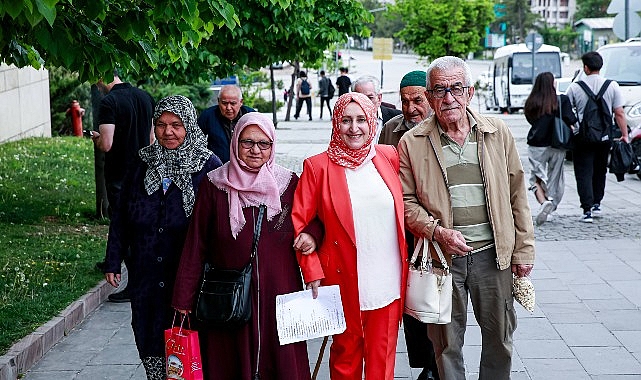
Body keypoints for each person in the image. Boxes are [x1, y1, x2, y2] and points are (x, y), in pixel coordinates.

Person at [398, 56, 535, 380]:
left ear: (470, 92)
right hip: (444, 259)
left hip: (493, 257)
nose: (448, 98)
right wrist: (437, 232)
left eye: (456, 88)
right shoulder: (412, 142)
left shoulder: (496, 132)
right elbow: (405, 202)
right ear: (430, 96)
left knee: (500, 339)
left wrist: (524, 250)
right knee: (445, 345)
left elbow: (517, 191)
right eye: (440, 90)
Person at [172, 113, 322, 380]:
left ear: (273, 146)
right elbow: (196, 244)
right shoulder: (214, 184)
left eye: (264, 143)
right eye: (247, 142)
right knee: (230, 364)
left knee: (282, 363)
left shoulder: (289, 183)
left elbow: (315, 220)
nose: (256, 150)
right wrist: (183, 299)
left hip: (280, 292)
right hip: (229, 297)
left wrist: (311, 235)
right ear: (235, 142)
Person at [102, 95, 222, 379]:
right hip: (145, 273)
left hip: (189, 276)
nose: (168, 132)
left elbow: (219, 222)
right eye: (161, 124)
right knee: (148, 337)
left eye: (177, 125)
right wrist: (113, 259)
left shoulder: (208, 165)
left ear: (189, 126)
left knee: (187, 345)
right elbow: (121, 214)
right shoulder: (142, 163)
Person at [292, 92, 408, 380]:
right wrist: (312, 271)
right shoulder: (316, 166)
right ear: (335, 123)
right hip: (341, 280)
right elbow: (300, 224)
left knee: (382, 362)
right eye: (346, 120)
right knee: (345, 359)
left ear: (372, 123)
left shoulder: (388, 156)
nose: (354, 128)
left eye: (360, 120)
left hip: (388, 279)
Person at [378, 70, 438, 380]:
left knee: (436, 299)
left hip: (436, 227)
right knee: (411, 300)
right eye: (404, 101)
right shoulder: (390, 129)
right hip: (401, 228)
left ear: (429, 98)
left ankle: (436, 364)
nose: (410, 107)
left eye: (417, 99)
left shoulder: (441, 127)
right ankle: (424, 363)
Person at [92, 69, 155, 303]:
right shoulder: (145, 97)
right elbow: (151, 139)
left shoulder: (109, 102)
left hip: (119, 174)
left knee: (123, 225)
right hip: (144, 172)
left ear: (102, 78)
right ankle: (121, 265)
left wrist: (95, 137)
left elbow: (106, 144)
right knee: (138, 226)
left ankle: (135, 283)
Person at [565, 51, 629, 222]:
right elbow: (619, 113)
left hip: (583, 137)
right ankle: (597, 204)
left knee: (583, 172)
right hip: (605, 136)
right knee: (600, 169)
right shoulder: (612, 85)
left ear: (585, 67)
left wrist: (573, 127)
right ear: (600, 66)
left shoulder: (575, 87)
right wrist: (624, 135)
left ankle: (586, 210)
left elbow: (566, 111)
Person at [523, 72, 578, 225]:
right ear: (552, 83)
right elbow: (571, 119)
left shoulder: (533, 101)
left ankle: (543, 202)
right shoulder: (562, 100)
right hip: (557, 143)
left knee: (535, 177)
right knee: (555, 176)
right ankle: (551, 206)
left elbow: (530, 119)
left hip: (537, 143)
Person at [198, 84, 255, 163]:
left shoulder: (251, 116)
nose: (228, 108)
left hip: (246, 166)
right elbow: (195, 142)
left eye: (233, 103)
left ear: (241, 102)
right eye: (224, 103)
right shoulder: (207, 116)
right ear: (218, 101)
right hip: (216, 167)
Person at [352, 75, 401, 143]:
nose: (365, 103)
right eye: (360, 98)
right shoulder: (345, 122)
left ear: (379, 98)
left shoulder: (398, 118)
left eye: (370, 98)